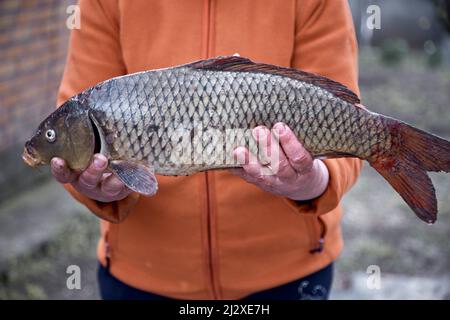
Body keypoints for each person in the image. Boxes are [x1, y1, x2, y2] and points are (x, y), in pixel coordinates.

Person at [51, 0, 361, 300]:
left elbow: (348, 120)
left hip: (289, 274)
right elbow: (74, 129)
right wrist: (95, 188)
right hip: (143, 277)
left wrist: (313, 183)